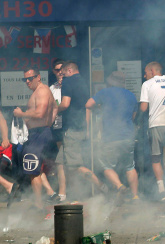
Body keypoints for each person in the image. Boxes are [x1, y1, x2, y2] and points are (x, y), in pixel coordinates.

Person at [86, 71, 139, 204]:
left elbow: (88, 104)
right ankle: (135, 196)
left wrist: (98, 110)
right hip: (127, 136)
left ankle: (119, 186)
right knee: (130, 167)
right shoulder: (131, 96)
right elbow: (133, 117)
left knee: (107, 166)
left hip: (110, 137)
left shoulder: (104, 93)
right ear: (123, 82)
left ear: (111, 81)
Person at [58, 61, 106, 198]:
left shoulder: (68, 82)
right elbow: (87, 108)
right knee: (60, 163)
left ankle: (101, 185)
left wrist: (54, 109)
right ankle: (62, 195)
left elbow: (65, 104)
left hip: (71, 130)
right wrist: (87, 129)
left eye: (62, 73)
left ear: (69, 71)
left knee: (75, 166)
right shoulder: (84, 83)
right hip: (80, 128)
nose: (61, 76)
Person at [13, 66, 58, 210]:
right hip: (37, 134)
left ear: (38, 77)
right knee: (34, 169)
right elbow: (55, 109)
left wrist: (21, 115)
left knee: (32, 169)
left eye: (30, 78)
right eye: (25, 79)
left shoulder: (42, 91)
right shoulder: (40, 91)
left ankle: (39, 205)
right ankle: (46, 196)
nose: (27, 81)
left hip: (39, 134)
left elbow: (40, 113)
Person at [139, 62, 165, 198]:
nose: (145, 76)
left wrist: (137, 119)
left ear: (152, 71)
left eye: (146, 72)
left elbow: (144, 108)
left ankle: (162, 190)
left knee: (156, 158)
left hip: (156, 123)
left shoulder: (147, 84)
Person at [49, 60, 67, 202]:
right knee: (60, 160)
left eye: (61, 69)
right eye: (56, 70)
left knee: (66, 161)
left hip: (70, 126)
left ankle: (63, 192)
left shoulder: (71, 84)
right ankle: (63, 191)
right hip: (56, 127)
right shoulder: (52, 88)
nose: (60, 72)